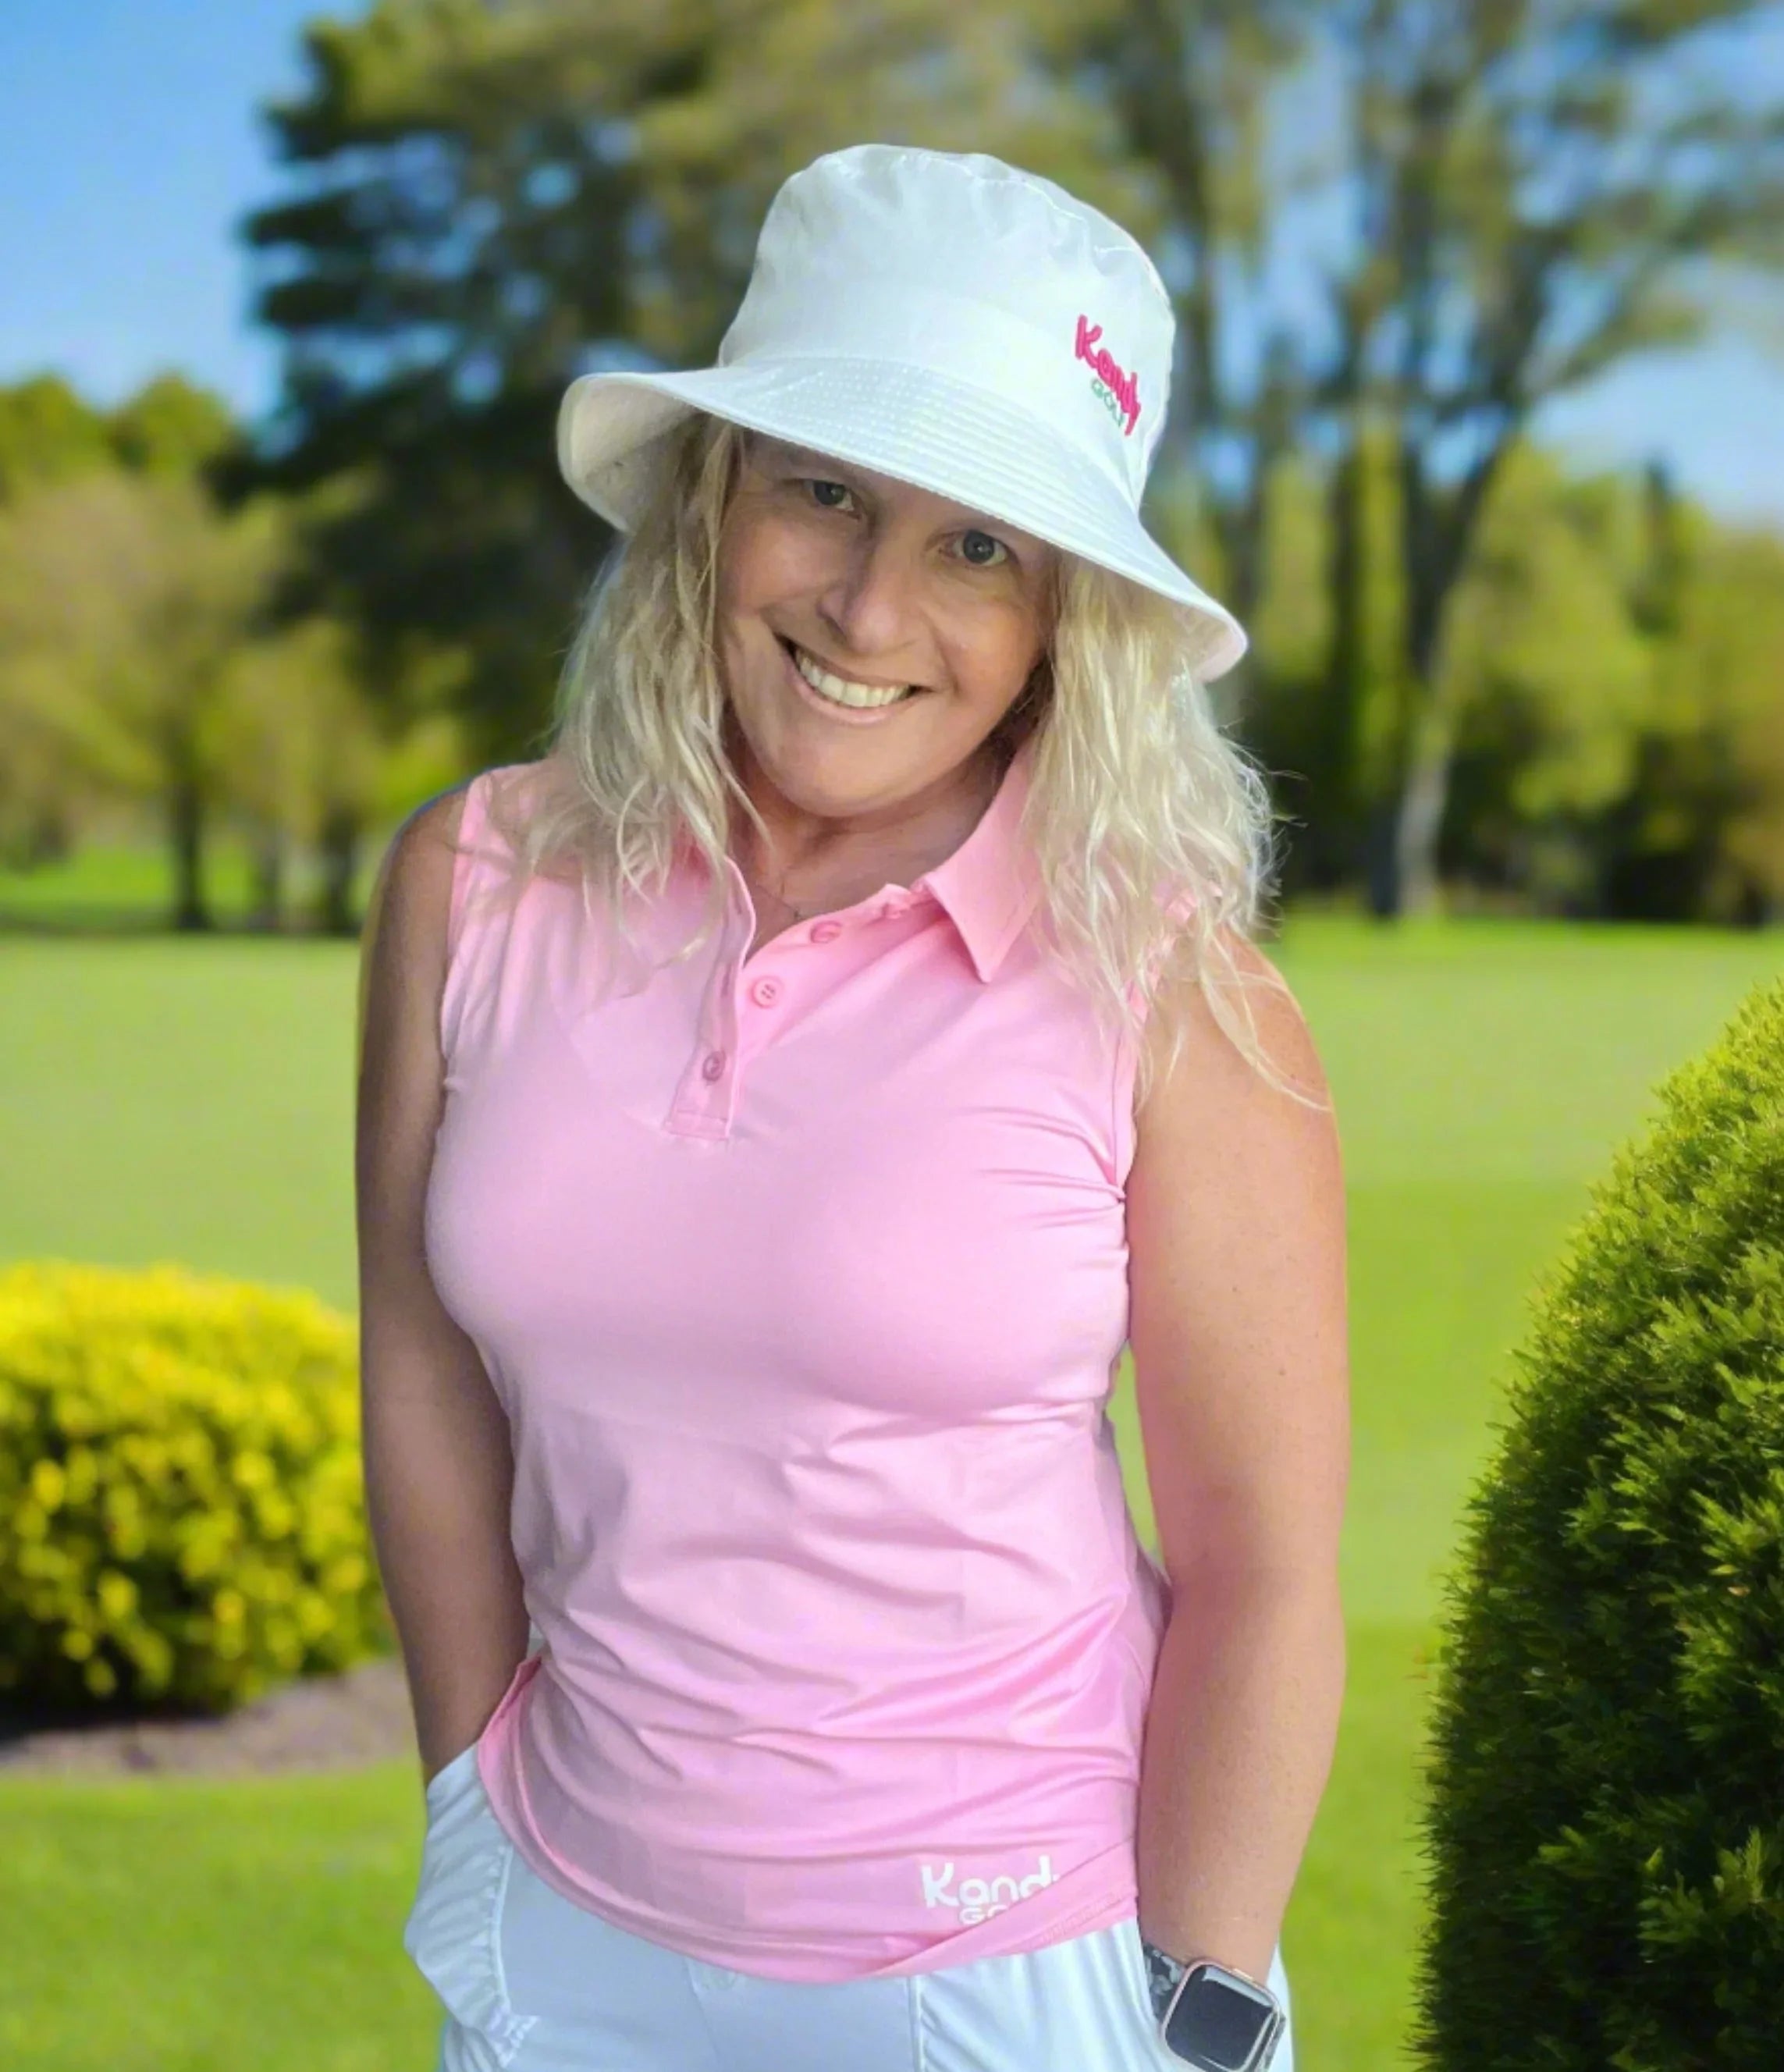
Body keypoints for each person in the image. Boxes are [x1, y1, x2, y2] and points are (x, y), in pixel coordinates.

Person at [356, 144, 1349, 2072]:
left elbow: (1266, 1562)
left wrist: (1202, 1993)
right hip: (567, 1952)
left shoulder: (1172, 983)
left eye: (980, 543)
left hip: (1014, 1968)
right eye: (826, 491)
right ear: (717, 499)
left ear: (1066, 614)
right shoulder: (475, 874)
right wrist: (472, 1800)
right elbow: (423, 1368)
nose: (874, 604)